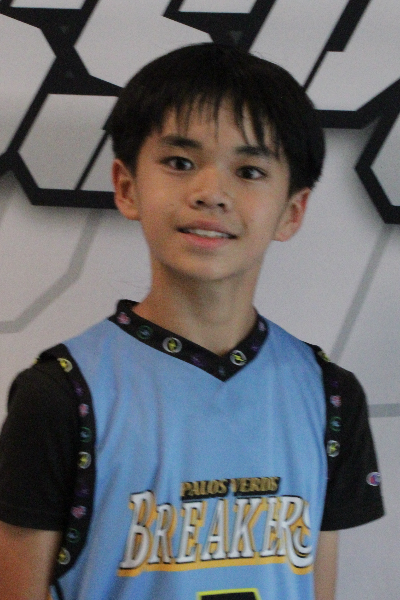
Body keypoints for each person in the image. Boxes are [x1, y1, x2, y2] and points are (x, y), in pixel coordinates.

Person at [0, 43, 383, 600]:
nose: (211, 194)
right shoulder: (60, 394)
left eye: (249, 170)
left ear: (292, 211)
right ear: (127, 187)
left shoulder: (330, 396)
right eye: (180, 163)